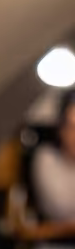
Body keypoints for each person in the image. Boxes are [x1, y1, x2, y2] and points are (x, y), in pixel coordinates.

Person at [31, 90, 75, 228]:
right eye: (72, 127)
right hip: (55, 245)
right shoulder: (46, 157)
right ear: (61, 130)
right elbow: (62, 208)